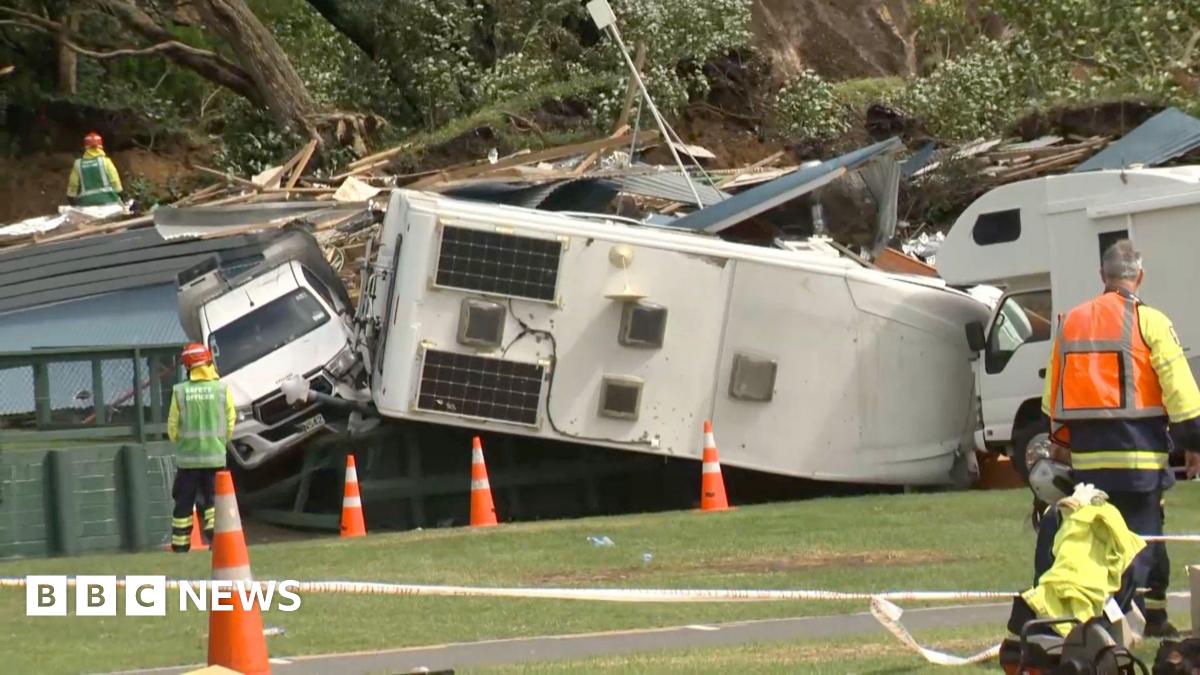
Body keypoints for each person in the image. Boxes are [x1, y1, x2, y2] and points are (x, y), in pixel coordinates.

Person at [1039, 239, 1200, 636]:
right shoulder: (1152, 322)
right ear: (1139, 277)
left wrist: (1061, 443)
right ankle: (1136, 624)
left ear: (1102, 276)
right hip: (1140, 461)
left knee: (1098, 543)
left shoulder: (1071, 322)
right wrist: (1192, 440)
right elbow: (1180, 392)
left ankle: (1127, 619)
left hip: (1088, 468)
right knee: (1142, 543)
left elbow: (1052, 400)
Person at [166, 343, 235, 553]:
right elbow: (230, 421)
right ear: (207, 362)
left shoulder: (180, 392)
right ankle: (217, 542)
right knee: (214, 503)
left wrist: (184, 444)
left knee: (183, 504)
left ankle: (180, 546)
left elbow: (172, 428)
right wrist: (219, 443)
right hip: (215, 458)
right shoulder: (222, 389)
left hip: (188, 461)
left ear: (188, 367)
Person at [66, 131, 122, 206]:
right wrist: (120, 195)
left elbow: (73, 184)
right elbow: (115, 180)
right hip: (108, 200)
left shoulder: (78, 164)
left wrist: (71, 199)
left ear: (85, 148)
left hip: (86, 203)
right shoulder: (106, 161)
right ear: (101, 147)